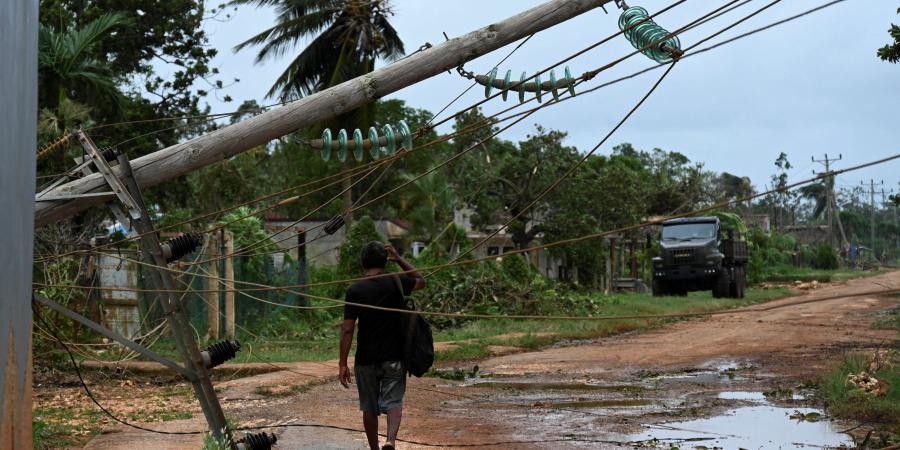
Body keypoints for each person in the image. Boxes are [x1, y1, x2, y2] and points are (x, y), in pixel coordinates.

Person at [339, 241, 426, 450]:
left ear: (363, 262)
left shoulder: (354, 290)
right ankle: (390, 440)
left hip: (366, 359)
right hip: (394, 357)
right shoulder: (396, 282)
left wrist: (342, 363)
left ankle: (375, 449)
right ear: (386, 261)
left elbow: (348, 329)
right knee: (394, 402)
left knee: (369, 407)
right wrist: (399, 259)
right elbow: (421, 280)